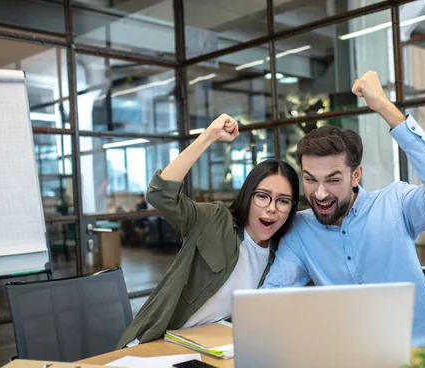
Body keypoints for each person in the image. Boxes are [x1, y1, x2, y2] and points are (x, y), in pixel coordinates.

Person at [261, 71, 425, 347]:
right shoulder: (300, 230)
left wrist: (383, 105)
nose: (320, 194)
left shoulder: (395, 204)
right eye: (310, 179)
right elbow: (271, 299)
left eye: (333, 180)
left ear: (356, 176)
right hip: (358, 359)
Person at [117, 114, 300, 349]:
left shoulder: (282, 256)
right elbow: (159, 194)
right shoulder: (215, 220)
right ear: (248, 195)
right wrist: (209, 136)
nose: (271, 209)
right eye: (262, 196)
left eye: (283, 201)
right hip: (159, 343)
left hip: (214, 349)